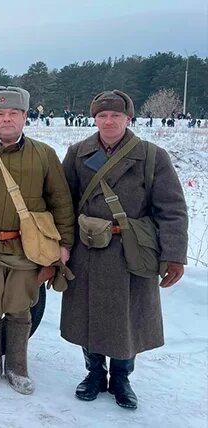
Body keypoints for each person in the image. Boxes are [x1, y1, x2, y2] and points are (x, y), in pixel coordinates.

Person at [60, 90, 188, 410]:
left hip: (131, 250)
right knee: (88, 314)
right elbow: (63, 204)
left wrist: (173, 254)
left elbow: (171, 208)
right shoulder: (78, 153)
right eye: (102, 115)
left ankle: (121, 377)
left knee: (127, 317)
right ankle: (93, 373)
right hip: (88, 248)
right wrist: (61, 244)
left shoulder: (151, 155)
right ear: (94, 118)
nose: (108, 121)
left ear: (128, 118)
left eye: (115, 115)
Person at [0, 86, 75, 394]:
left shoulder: (44, 155)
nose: (7, 119)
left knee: (21, 307)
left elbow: (61, 201)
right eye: (0, 114)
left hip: (26, 249)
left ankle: (18, 368)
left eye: (14, 114)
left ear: (25, 117)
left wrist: (65, 245)